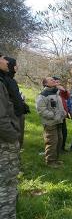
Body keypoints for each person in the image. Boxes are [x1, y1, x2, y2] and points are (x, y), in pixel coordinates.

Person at [0, 54, 20, 219]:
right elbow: (1, 119)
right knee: (6, 184)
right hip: (5, 141)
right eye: (2, 58)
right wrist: (13, 136)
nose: (6, 61)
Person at [36, 77, 66, 168]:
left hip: (59, 121)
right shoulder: (42, 95)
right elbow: (41, 111)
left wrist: (63, 112)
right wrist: (54, 116)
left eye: (54, 80)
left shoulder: (56, 92)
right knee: (51, 142)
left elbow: (59, 106)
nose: (53, 80)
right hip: (50, 123)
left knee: (59, 140)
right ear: (45, 83)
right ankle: (50, 162)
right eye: (51, 80)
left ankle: (55, 159)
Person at [4, 57, 30, 149]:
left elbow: (14, 96)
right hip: (12, 116)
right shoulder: (4, 80)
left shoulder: (13, 80)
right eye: (15, 65)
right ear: (10, 65)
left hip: (19, 114)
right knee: (13, 141)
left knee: (19, 139)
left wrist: (22, 104)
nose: (17, 67)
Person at [52, 76, 70, 152]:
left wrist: (64, 90)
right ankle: (55, 148)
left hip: (63, 115)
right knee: (56, 133)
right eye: (57, 82)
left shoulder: (61, 91)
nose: (58, 84)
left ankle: (62, 148)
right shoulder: (51, 91)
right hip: (55, 115)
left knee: (64, 132)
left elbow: (67, 97)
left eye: (59, 82)